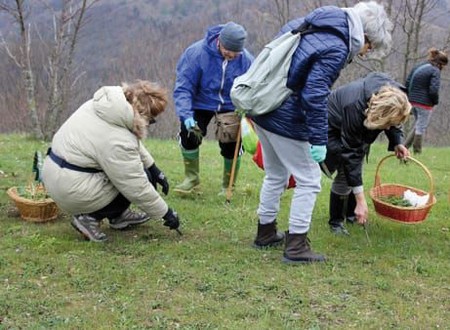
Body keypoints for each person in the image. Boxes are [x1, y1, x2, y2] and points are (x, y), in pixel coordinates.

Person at [250, 1, 393, 264]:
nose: (365, 52)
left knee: (276, 174)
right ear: (365, 35)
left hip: (263, 107)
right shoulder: (337, 45)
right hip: (284, 114)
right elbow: (314, 94)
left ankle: (265, 232)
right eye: (369, 46)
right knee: (309, 180)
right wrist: (317, 139)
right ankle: (296, 247)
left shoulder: (315, 23)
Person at [42, 80, 181, 242]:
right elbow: (136, 185)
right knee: (142, 178)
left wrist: (154, 168)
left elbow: (130, 142)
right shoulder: (117, 140)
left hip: (57, 175)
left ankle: (118, 216)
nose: (150, 124)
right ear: (142, 114)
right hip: (72, 189)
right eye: (151, 119)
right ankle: (89, 218)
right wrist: (166, 213)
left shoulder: (104, 107)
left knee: (145, 172)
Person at [324, 72, 411, 235]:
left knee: (355, 170)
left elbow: (393, 119)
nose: (386, 128)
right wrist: (362, 200)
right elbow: (351, 156)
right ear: (377, 115)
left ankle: (351, 214)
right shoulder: (354, 107)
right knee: (345, 171)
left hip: (359, 124)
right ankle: (336, 221)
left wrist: (397, 142)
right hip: (333, 127)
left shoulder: (396, 96)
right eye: (385, 124)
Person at [173, 21, 253, 194]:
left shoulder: (246, 60)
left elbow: (253, 87)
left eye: (235, 54)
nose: (230, 55)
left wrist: (247, 109)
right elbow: (183, 88)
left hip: (230, 104)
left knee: (231, 143)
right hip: (201, 101)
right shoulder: (196, 54)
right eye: (227, 51)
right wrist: (186, 115)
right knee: (190, 135)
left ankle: (228, 185)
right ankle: (192, 179)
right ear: (219, 42)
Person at [404, 48, 448, 154]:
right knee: (421, 127)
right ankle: (417, 151)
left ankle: (404, 147)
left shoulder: (419, 66)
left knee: (418, 125)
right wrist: (435, 101)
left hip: (411, 101)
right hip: (424, 103)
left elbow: (408, 82)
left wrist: (409, 97)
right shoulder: (435, 71)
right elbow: (433, 90)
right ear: (441, 63)